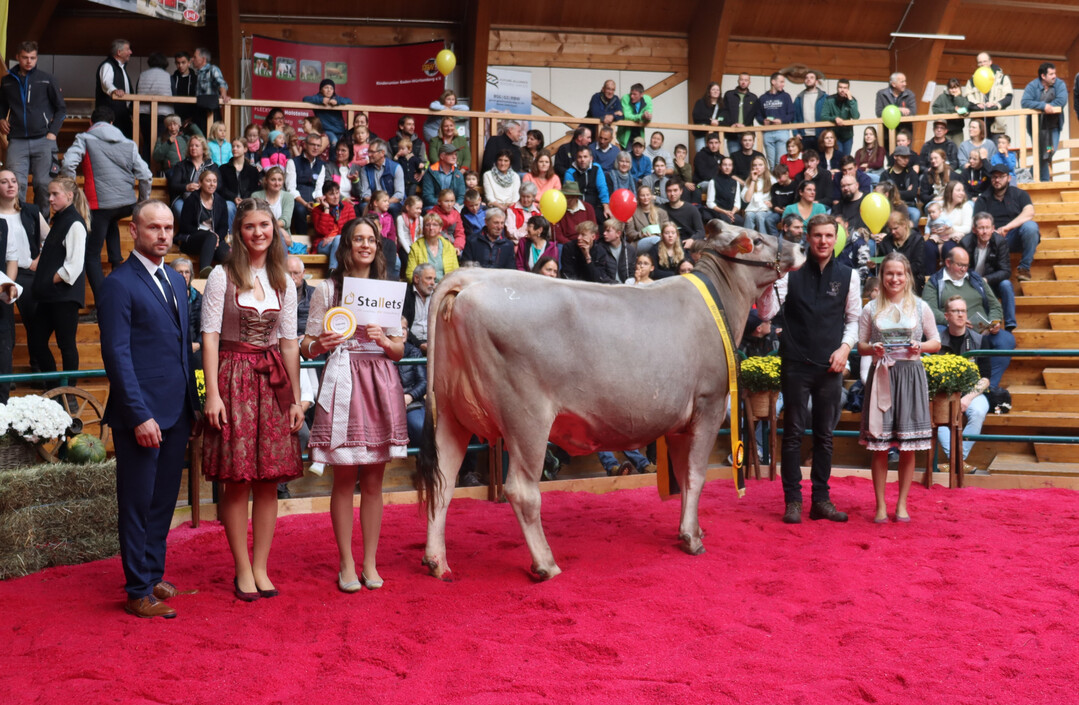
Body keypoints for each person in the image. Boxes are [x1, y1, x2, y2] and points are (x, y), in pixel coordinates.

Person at [98, 200, 197, 619]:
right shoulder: (118, 283)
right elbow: (116, 355)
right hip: (141, 415)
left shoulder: (175, 281)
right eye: (153, 227)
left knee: (161, 503)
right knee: (137, 502)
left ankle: (152, 572)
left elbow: (182, 350)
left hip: (177, 412)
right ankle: (137, 589)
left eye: (168, 227)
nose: (162, 235)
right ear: (134, 231)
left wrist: (195, 405)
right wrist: (139, 415)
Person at [202, 198, 304, 601]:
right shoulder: (221, 276)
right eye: (250, 226)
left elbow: (290, 343)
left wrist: (295, 399)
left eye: (265, 225)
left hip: (272, 380)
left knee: (268, 481)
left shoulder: (283, 280)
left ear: (274, 230)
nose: (258, 232)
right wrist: (211, 392)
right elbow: (209, 336)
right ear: (238, 232)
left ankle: (261, 567)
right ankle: (242, 568)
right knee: (237, 481)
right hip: (233, 379)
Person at [301, 216, 407, 592]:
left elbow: (398, 350)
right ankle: (346, 562)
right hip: (344, 379)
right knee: (344, 477)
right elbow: (306, 343)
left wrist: (385, 339)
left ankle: (370, 562)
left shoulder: (389, 290)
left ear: (378, 247)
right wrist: (321, 345)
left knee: (375, 480)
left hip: (379, 380)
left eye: (372, 240)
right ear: (346, 245)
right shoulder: (326, 290)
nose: (365, 245)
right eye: (358, 239)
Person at [777, 213, 860, 524]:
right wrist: (773, 277)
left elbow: (853, 321)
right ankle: (793, 501)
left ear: (835, 238)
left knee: (825, 436)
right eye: (817, 236)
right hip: (795, 365)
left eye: (828, 236)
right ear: (808, 239)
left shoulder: (849, 275)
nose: (823, 241)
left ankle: (821, 500)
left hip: (831, 365)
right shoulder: (790, 272)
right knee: (793, 435)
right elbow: (770, 309)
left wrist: (845, 348)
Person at [857, 252, 940, 523]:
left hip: (911, 375)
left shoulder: (920, 306)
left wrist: (920, 346)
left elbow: (936, 342)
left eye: (899, 274)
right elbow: (860, 346)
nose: (894, 278)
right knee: (880, 447)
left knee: (907, 446)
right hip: (882, 375)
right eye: (889, 273)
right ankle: (880, 505)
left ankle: (902, 504)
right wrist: (874, 348)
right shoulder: (870, 308)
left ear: (907, 277)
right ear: (882, 277)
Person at [61, 106, 152, 299]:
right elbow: (146, 175)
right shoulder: (128, 143)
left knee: (91, 256)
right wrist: (142, 203)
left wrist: (73, 194)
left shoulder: (85, 138)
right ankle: (117, 268)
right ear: (112, 123)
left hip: (99, 204)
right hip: (126, 204)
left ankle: (104, 302)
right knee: (111, 222)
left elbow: (68, 164)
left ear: (90, 123)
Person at [922, 247, 1015, 388]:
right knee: (939, 334)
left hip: (982, 331)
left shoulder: (977, 280)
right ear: (948, 262)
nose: (964, 269)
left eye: (966, 265)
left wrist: (994, 322)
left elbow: (995, 306)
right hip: (952, 330)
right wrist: (955, 321)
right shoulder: (935, 283)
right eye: (960, 265)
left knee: (1006, 340)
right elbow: (929, 310)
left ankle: (988, 387)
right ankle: (951, 386)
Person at [30, 176, 88, 388]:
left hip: (63, 296)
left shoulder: (74, 223)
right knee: (37, 341)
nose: (51, 199)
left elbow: (73, 268)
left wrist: (47, 281)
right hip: (49, 296)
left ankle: (68, 393)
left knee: (66, 345)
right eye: (49, 194)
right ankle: (55, 389)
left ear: (69, 196)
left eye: (55, 194)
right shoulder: (59, 220)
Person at [0, 41, 66, 212]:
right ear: (17, 57)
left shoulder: (47, 79)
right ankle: (18, 222)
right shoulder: (7, 81)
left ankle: (41, 224)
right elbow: (2, 105)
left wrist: (53, 133)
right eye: (25, 57)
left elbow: (61, 109)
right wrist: (1, 118)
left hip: (44, 139)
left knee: (43, 184)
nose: (29, 61)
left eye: (33, 58)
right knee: (16, 184)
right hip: (17, 140)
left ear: (36, 58)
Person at [934, 296, 993, 473]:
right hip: (944, 392)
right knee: (936, 413)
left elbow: (986, 378)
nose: (960, 315)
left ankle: (956, 459)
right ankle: (959, 461)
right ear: (946, 316)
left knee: (978, 411)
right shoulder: (936, 341)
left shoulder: (980, 340)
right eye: (955, 311)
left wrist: (967, 398)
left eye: (963, 311)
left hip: (972, 392)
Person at [0, 169, 46, 376]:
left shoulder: (30, 211)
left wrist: (39, 258)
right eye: (4, 182)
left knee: (35, 323)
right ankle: (5, 373)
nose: (10, 185)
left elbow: (53, 239)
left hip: (27, 272)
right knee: (5, 329)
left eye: (13, 181)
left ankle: (37, 367)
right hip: (2, 275)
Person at [974, 163, 1040, 281]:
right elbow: (977, 222)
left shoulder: (1020, 194)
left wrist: (1007, 228)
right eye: (994, 177)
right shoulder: (983, 198)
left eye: (1001, 176)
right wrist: (991, 233)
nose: (997, 180)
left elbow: (1029, 212)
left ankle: (1024, 269)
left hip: (1015, 237)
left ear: (1009, 178)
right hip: (992, 239)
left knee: (1031, 227)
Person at [960, 212, 1016, 331]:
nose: (984, 231)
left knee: (1006, 284)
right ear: (974, 230)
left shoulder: (1000, 242)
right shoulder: (965, 242)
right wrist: (976, 280)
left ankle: (1010, 324)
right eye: (981, 228)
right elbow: (961, 269)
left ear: (993, 229)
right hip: (970, 283)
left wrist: (986, 279)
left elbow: (1006, 271)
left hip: (991, 283)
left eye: (987, 227)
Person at [1021, 62, 1068, 182]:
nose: (1054, 76)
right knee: (1042, 153)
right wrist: (1043, 106)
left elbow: (1061, 101)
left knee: (1049, 151)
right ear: (1043, 76)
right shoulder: (1032, 86)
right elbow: (1025, 102)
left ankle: (1029, 173)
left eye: (1055, 73)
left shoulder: (1060, 84)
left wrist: (1048, 107)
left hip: (1053, 127)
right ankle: (1045, 180)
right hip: (1037, 127)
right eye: (1051, 74)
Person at [178, 169, 231, 277]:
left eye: (214, 181)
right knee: (210, 237)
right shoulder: (191, 200)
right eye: (208, 181)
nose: (212, 184)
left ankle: (230, 279)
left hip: (214, 240)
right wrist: (208, 234)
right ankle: (204, 272)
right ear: (200, 183)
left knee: (224, 251)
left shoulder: (220, 201)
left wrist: (217, 237)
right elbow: (185, 226)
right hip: (193, 238)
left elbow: (223, 227)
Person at [286, 132, 328, 234]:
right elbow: (290, 189)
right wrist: (305, 204)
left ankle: (319, 242)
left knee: (326, 209)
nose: (315, 148)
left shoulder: (321, 165)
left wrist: (319, 202)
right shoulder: (293, 162)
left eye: (318, 145)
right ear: (305, 145)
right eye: (313, 144)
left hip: (313, 200)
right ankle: (302, 241)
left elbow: (318, 189)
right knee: (300, 210)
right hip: (298, 200)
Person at [963, 53, 1013, 137]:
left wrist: (996, 105)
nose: (982, 64)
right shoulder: (972, 80)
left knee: (996, 149)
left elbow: (1008, 98)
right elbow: (967, 98)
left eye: (985, 61)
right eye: (980, 62)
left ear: (990, 62)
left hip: (997, 124)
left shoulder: (1003, 78)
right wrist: (976, 104)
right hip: (978, 125)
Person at [166, 135, 217, 217]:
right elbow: (173, 185)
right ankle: (191, 229)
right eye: (191, 146)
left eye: (197, 146)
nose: (193, 148)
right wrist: (186, 187)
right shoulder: (181, 165)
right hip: (183, 198)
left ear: (203, 149)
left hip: (207, 198)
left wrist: (205, 187)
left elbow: (220, 185)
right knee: (181, 209)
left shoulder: (212, 166)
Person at [877, 210, 925, 294]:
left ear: (904, 225)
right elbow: (880, 261)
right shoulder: (886, 241)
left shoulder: (917, 240)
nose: (892, 232)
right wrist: (873, 265)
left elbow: (917, 265)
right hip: (890, 281)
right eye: (890, 229)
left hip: (911, 281)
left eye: (895, 228)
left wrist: (899, 273)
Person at [406, 211, 460, 281]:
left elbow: (456, 272)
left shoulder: (449, 247)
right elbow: (410, 274)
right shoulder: (416, 247)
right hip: (424, 288)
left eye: (435, 225)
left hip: (445, 287)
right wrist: (423, 285)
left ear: (440, 228)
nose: (431, 228)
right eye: (427, 225)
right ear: (423, 228)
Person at [169, 256, 202, 369]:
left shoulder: (199, 298)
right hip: (172, 350)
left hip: (195, 348)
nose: (183, 276)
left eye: (187, 272)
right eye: (180, 272)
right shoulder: (164, 298)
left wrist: (198, 344)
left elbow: (206, 327)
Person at [96, 39, 133, 138]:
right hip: (111, 115)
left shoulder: (121, 68)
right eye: (128, 49)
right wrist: (114, 90)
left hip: (122, 115)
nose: (131, 52)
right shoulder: (108, 65)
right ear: (119, 52)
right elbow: (106, 82)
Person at [360, 139, 405, 217]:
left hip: (391, 202)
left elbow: (399, 194)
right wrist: (376, 204)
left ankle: (392, 229)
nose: (369, 155)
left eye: (372, 152)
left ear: (382, 153)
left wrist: (384, 203)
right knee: (363, 206)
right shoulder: (365, 170)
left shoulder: (396, 168)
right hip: (373, 203)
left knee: (393, 207)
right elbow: (365, 194)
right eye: (368, 152)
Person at [564, 145, 611, 219]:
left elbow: (602, 188)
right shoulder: (570, 173)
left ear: (591, 158)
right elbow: (571, 196)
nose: (582, 160)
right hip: (577, 208)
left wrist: (606, 206)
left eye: (585, 157)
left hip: (596, 207)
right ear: (576, 159)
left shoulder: (597, 168)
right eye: (580, 157)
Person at [251, 166, 295, 243]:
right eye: (273, 180)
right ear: (266, 180)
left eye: (280, 180)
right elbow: (256, 219)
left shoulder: (288, 197)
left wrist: (276, 229)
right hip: (260, 234)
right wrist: (278, 228)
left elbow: (286, 221)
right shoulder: (256, 196)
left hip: (281, 236)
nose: (277, 183)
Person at [874, 72, 917, 149]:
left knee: (904, 158)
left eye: (905, 81)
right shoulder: (881, 94)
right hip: (887, 133)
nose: (905, 84)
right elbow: (879, 113)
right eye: (902, 82)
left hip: (905, 133)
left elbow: (912, 112)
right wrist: (898, 109)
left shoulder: (910, 94)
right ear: (893, 84)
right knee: (891, 159)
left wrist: (891, 112)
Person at [302, 79, 352, 145]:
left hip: (340, 130)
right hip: (326, 130)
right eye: (326, 87)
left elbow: (349, 101)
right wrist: (321, 100)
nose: (329, 90)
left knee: (347, 144)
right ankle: (332, 156)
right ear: (321, 90)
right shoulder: (318, 97)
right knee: (334, 141)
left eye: (331, 88)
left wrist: (337, 102)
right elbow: (305, 99)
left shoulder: (336, 97)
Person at [191, 47, 230, 129]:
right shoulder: (198, 74)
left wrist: (224, 95)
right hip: (199, 110)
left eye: (195, 57)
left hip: (211, 110)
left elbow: (221, 83)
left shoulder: (212, 69)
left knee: (212, 137)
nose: (192, 59)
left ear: (203, 59)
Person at [820, 78, 860, 156]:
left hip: (847, 135)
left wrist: (850, 100)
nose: (842, 90)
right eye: (840, 87)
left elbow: (855, 116)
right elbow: (823, 116)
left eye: (845, 88)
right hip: (834, 136)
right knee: (838, 158)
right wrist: (835, 118)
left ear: (848, 89)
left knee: (846, 159)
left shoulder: (852, 100)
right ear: (837, 88)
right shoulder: (829, 99)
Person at [722, 73, 759, 156]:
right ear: (738, 81)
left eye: (746, 80)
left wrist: (744, 125)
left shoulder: (753, 97)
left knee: (747, 159)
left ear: (749, 82)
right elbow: (724, 112)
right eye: (741, 79)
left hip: (747, 134)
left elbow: (754, 114)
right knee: (734, 159)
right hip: (732, 134)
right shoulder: (729, 95)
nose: (743, 82)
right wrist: (731, 124)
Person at [402, 262, 436, 351]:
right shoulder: (405, 295)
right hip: (411, 343)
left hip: (434, 342)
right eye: (429, 278)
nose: (432, 283)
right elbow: (403, 326)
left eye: (434, 279)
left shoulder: (436, 296)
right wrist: (419, 344)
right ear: (416, 279)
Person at [792, 70, 827, 153]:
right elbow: (794, 117)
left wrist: (826, 133)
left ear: (816, 81)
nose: (808, 79)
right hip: (804, 136)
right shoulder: (799, 98)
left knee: (821, 161)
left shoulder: (825, 97)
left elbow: (828, 115)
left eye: (811, 78)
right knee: (805, 161)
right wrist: (795, 133)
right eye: (806, 78)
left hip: (820, 135)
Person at [737, 155, 773, 234]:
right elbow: (747, 199)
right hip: (752, 208)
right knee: (749, 216)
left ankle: (764, 240)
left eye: (760, 165)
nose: (757, 167)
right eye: (755, 165)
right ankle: (747, 240)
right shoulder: (749, 180)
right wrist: (753, 181)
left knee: (759, 216)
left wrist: (772, 203)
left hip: (766, 209)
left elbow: (777, 195)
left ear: (765, 166)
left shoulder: (771, 179)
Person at [931, 79, 970, 145]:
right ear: (948, 88)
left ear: (959, 88)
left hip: (958, 130)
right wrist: (953, 109)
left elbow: (965, 109)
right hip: (945, 130)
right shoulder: (942, 97)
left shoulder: (963, 99)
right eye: (951, 88)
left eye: (956, 88)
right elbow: (935, 109)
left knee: (957, 151)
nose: (954, 90)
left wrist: (957, 97)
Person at [618, 83, 653, 149]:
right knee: (628, 156)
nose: (632, 96)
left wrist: (648, 117)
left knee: (638, 155)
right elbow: (627, 116)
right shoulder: (625, 98)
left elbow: (649, 113)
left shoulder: (648, 99)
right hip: (626, 135)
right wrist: (641, 116)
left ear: (642, 95)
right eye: (631, 93)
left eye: (635, 94)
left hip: (639, 134)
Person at [691, 82, 724, 152]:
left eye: (717, 90)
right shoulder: (701, 103)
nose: (716, 91)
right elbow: (696, 117)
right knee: (701, 154)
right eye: (713, 89)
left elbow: (726, 118)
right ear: (709, 91)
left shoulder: (722, 105)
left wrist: (718, 123)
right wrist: (710, 121)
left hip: (716, 136)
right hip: (701, 134)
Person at [171, 51, 198, 129]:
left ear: (189, 63)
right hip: (175, 118)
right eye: (178, 63)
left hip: (192, 118)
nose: (180, 65)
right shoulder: (172, 79)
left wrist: (192, 118)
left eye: (183, 62)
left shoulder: (196, 79)